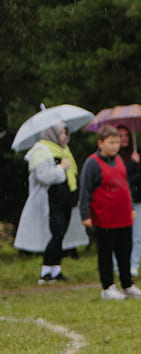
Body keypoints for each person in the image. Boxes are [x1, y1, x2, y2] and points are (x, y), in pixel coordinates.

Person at [78, 125, 141, 300]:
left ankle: (127, 284)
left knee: (125, 251)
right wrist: (85, 215)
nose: (115, 146)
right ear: (100, 143)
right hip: (104, 216)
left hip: (123, 215)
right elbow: (85, 190)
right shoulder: (92, 163)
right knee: (106, 253)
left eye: (117, 142)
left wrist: (131, 207)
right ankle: (107, 287)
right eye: (111, 142)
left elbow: (125, 186)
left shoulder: (119, 160)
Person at [15, 121, 89, 283]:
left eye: (66, 133)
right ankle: (46, 270)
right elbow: (43, 176)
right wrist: (61, 168)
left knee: (61, 234)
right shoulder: (41, 150)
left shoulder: (64, 150)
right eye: (61, 133)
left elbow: (72, 174)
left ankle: (56, 269)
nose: (65, 136)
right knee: (57, 232)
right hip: (51, 200)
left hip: (66, 199)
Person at [116, 125, 141, 277]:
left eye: (126, 135)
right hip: (120, 200)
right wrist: (131, 164)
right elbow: (120, 177)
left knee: (137, 235)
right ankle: (118, 265)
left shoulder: (138, 153)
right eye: (120, 135)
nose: (124, 138)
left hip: (137, 198)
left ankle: (134, 264)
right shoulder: (114, 157)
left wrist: (135, 166)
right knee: (119, 235)